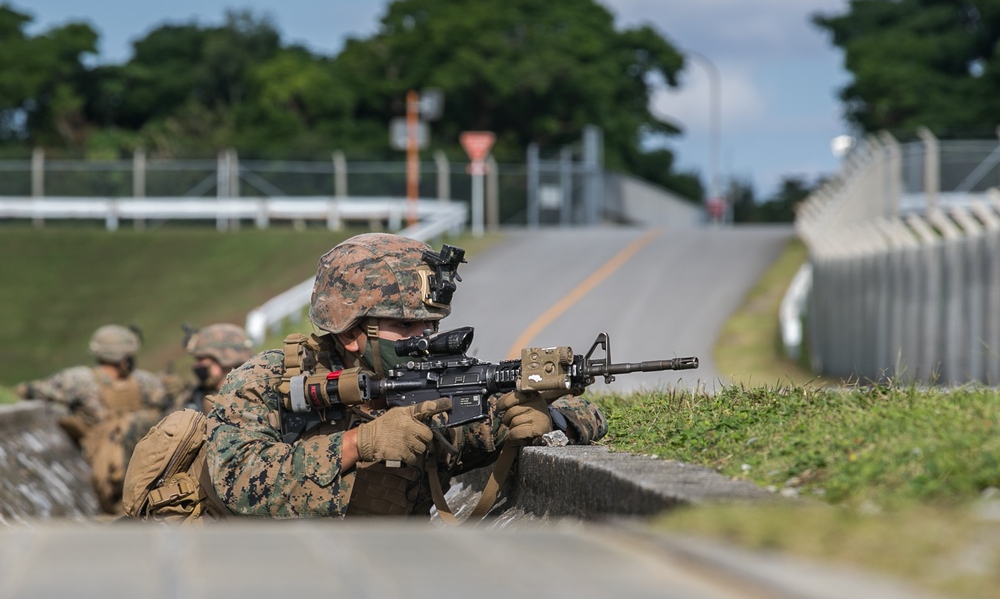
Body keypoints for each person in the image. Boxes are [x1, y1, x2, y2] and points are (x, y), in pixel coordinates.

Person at [206, 232, 607, 518]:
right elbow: (236, 477)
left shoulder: (428, 390)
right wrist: (359, 443)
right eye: (407, 327)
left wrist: (549, 421)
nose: (425, 340)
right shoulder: (267, 379)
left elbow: (584, 413)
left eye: (429, 327)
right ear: (350, 332)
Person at [16, 324, 171, 514]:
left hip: (106, 456)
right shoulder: (144, 380)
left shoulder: (77, 379)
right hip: (129, 455)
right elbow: (166, 402)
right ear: (125, 356)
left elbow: (30, 390)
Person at [171, 323, 255, 414]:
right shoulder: (196, 398)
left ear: (226, 357)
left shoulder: (255, 391)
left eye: (201, 359)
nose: (196, 365)